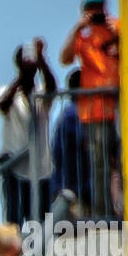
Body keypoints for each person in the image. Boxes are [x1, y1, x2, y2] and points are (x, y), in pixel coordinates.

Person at [60, 0, 120, 217]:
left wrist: (117, 36)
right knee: (99, 165)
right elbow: (64, 59)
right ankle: (103, 213)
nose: (96, 11)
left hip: (121, 108)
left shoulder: (117, 27)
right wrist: (76, 28)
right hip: (94, 111)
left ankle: (127, 209)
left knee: (125, 161)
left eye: (99, 5)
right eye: (91, 6)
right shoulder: (83, 35)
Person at [0, 38, 56, 226]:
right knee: (14, 211)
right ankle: (14, 248)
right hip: (14, 159)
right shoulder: (7, 91)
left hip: (39, 163)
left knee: (40, 215)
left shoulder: (41, 94)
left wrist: (42, 61)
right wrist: (21, 77)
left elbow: (52, 88)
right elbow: (2, 105)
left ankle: (39, 251)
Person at [49, 68, 90, 216]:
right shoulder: (74, 114)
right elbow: (86, 142)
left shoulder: (68, 114)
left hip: (70, 189)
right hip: (74, 192)